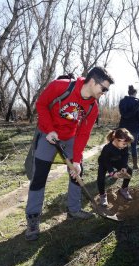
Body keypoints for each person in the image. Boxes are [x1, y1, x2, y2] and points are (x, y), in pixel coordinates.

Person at [25, 67, 114, 241]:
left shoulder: (93, 107)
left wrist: (77, 159)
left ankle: (74, 210)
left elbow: (83, 133)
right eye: (103, 88)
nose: (104, 92)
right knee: (39, 176)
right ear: (92, 81)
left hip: (70, 138)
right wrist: (49, 130)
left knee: (76, 172)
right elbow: (41, 105)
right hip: (47, 135)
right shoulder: (61, 86)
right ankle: (33, 218)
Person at [97, 128, 134, 206]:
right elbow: (106, 161)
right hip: (104, 162)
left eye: (126, 144)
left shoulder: (124, 145)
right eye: (124, 144)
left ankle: (124, 189)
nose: (125, 146)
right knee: (100, 177)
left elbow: (125, 155)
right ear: (117, 140)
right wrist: (111, 172)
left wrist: (124, 166)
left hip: (116, 160)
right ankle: (102, 195)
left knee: (129, 170)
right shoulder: (107, 148)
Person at [118, 85, 139, 169]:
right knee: (133, 146)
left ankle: (122, 166)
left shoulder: (122, 102)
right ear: (135, 93)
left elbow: (122, 114)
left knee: (122, 146)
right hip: (134, 128)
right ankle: (135, 165)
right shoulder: (138, 103)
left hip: (123, 127)